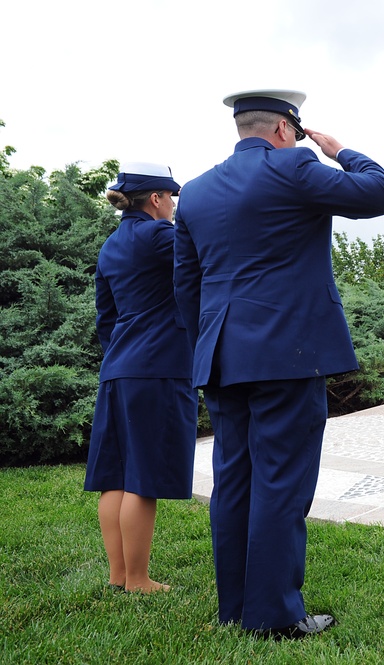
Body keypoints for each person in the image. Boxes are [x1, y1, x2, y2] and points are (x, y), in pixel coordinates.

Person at [173, 89, 384, 639]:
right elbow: (381, 194)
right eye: (295, 133)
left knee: (234, 482)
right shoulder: (295, 166)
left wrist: (210, 342)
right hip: (286, 354)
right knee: (281, 483)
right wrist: (341, 151)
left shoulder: (196, 192)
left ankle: (235, 608)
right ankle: (273, 616)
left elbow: (186, 285)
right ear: (283, 129)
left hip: (222, 356)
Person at [84, 163, 197, 594]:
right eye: (171, 198)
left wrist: (121, 354)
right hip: (157, 369)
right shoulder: (160, 236)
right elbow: (203, 263)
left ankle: (118, 574)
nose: (173, 206)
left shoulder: (111, 245)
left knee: (115, 474)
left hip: (118, 370)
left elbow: (105, 318)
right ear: (156, 199)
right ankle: (138, 580)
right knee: (143, 479)